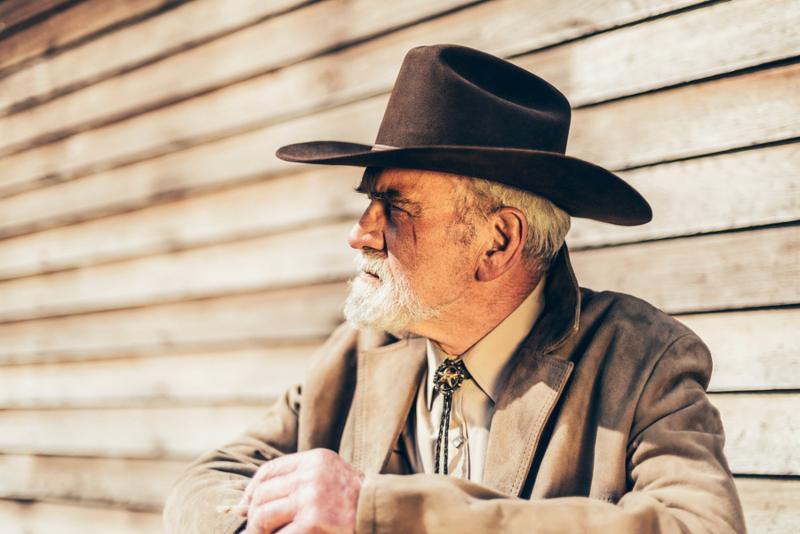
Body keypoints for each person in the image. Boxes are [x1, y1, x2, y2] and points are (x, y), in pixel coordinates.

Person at [164, 44, 745, 533]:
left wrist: (377, 513)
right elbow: (206, 483)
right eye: (369, 201)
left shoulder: (641, 361)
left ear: (497, 242)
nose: (359, 233)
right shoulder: (361, 352)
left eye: (393, 206)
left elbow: (701, 525)